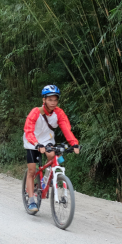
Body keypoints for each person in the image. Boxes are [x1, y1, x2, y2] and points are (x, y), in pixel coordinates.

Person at [23, 84, 80, 212]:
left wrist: (74, 144)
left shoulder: (59, 112)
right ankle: (31, 201)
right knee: (32, 170)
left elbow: (66, 128)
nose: (53, 102)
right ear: (44, 100)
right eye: (50, 99)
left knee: (52, 155)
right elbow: (28, 130)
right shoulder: (36, 112)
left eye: (55, 100)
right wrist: (36, 144)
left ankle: (46, 179)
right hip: (32, 141)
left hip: (47, 140)